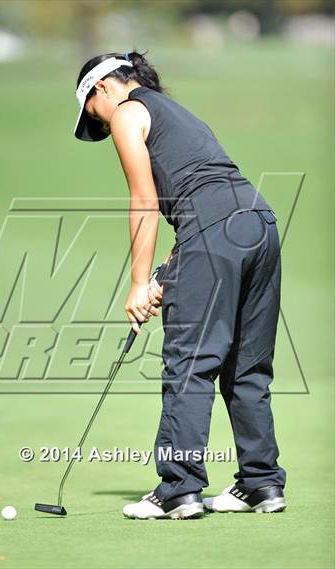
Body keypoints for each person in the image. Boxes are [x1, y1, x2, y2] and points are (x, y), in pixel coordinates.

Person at [73, 50, 287, 520]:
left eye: (96, 117)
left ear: (103, 88)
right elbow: (209, 202)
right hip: (259, 223)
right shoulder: (177, 113)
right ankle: (262, 483)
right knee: (247, 365)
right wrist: (164, 276)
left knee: (189, 365)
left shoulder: (129, 112)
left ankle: (179, 489)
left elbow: (145, 202)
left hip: (213, 231)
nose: (106, 128)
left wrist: (135, 283)